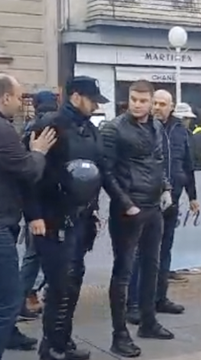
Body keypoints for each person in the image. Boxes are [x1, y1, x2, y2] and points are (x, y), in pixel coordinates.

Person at [23, 76, 112, 360]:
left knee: (72, 283)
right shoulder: (50, 125)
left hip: (80, 218)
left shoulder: (88, 128)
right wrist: (34, 215)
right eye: (92, 99)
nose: (96, 105)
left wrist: (94, 208)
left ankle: (64, 340)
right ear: (76, 96)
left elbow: (94, 172)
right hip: (52, 217)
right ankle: (51, 347)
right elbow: (29, 175)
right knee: (59, 285)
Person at [101, 80, 175, 357]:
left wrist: (166, 188)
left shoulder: (156, 126)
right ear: (127, 98)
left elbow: (157, 162)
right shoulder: (114, 128)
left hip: (153, 205)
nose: (138, 104)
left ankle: (148, 321)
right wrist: (126, 203)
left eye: (143, 100)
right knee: (123, 273)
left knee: (152, 266)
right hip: (129, 207)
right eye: (134, 99)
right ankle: (119, 334)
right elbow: (106, 172)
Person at [126, 94, 199, 325]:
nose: (157, 108)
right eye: (154, 103)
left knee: (164, 251)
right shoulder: (140, 128)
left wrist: (193, 196)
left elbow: (187, 165)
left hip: (171, 201)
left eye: (162, 104)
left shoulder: (180, 131)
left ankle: (159, 298)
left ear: (171, 107)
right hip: (144, 201)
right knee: (140, 254)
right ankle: (134, 304)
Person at [0, 74, 56, 358]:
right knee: (9, 299)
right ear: (5, 97)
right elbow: (28, 171)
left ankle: (10, 333)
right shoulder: (4, 130)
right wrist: (38, 152)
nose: (22, 104)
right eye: (19, 97)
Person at [18, 90, 59, 321]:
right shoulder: (50, 128)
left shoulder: (29, 129)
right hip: (47, 201)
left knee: (35, 254)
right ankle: (24, 297)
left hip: (35, 201)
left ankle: (27, 296)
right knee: (37, 255)